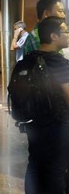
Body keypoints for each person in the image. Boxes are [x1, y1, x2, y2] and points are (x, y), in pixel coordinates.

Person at [23, 16, 69, 194]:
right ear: (53, 36)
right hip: (58, 125)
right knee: (56, 170)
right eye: (65, 31)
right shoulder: (58, 62)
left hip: (33, 124)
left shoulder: (29, 59)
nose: (68, 35)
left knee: (34, 165)